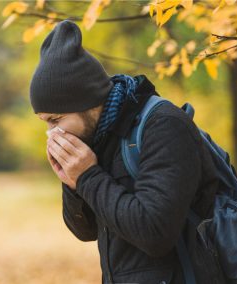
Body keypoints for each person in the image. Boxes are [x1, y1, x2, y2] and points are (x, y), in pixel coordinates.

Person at [29, 19, 218, 284]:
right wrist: (72, 183)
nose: (51, 133)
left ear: (87, 103)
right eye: (45, 122)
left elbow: (155, 233)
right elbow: (86, 231)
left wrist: (87, 176)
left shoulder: (164, 126)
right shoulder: (98, 137)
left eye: (55, 120)